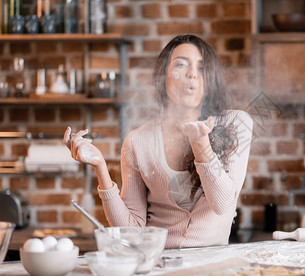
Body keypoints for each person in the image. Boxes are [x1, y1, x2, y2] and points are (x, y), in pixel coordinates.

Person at [64, 34, 253, 249]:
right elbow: (131, 229)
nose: (192, 74)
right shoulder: (138, 141)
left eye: (201, 68)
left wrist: (201, 145)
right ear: (164, 76)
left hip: (212, 270)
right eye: (181, 65)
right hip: (157, 263)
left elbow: (223, 204)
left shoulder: (236, 124)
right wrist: (101, 168)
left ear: (211, 80)